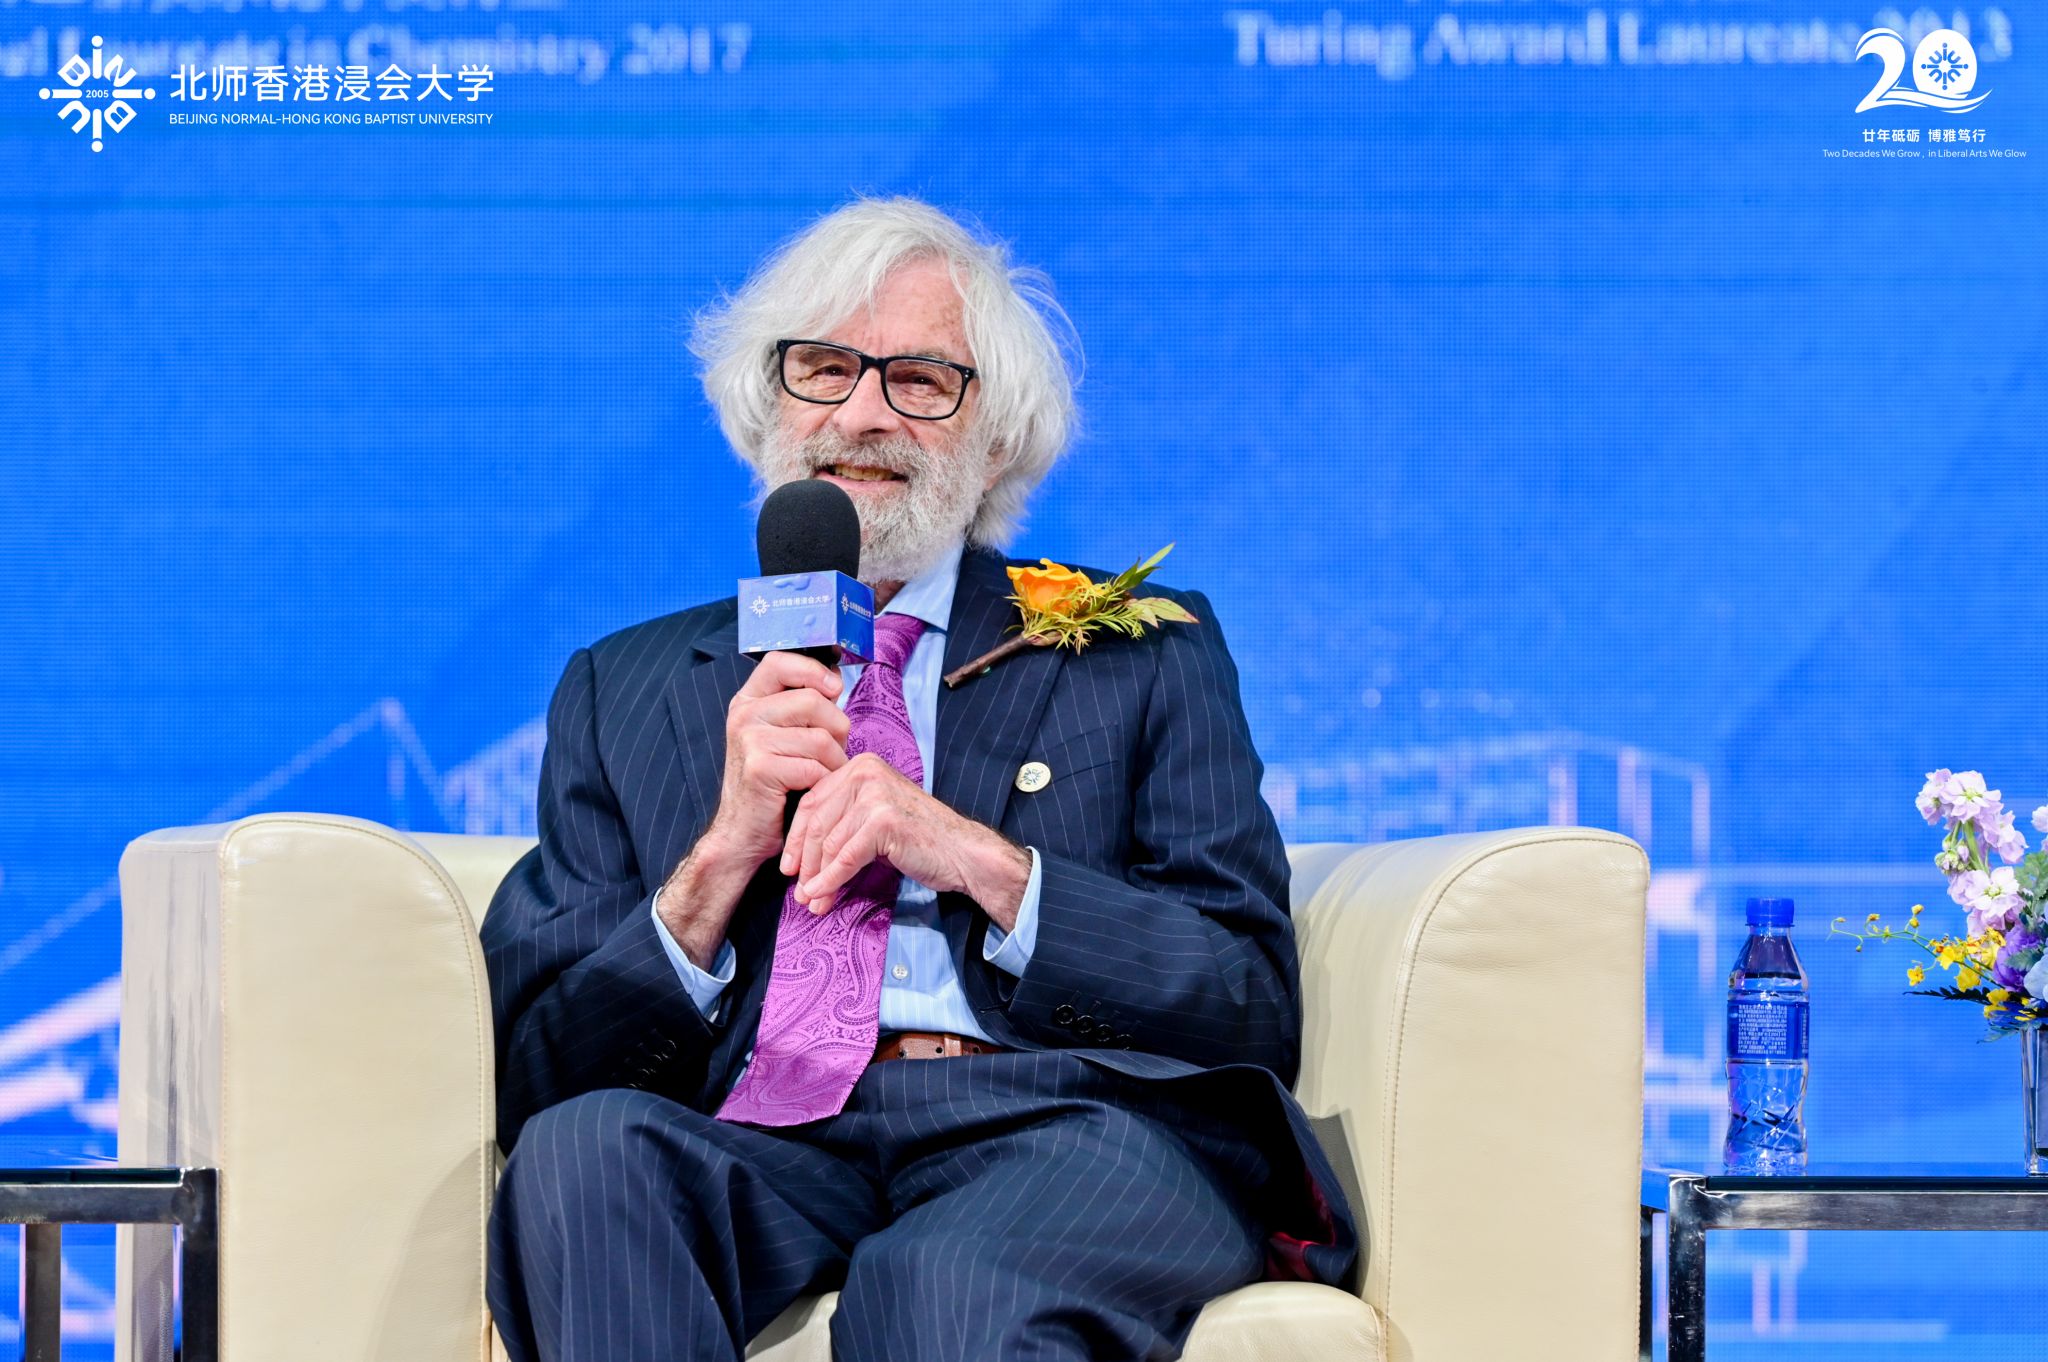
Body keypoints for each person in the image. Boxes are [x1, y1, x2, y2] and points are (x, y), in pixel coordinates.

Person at [481, 196, 1357, 1362]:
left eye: (919, 381)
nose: (861, 413)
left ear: (996, 438)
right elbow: (537, 1071)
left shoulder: (1141, 650)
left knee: (939, 1289)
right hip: (764, 1130)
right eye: (823, 369)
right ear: (766, 406)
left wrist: (981, 862)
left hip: (1057, 1127)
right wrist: (720, 856)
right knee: (580, 1158)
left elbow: (1247, 1001)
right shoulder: (624, 687)